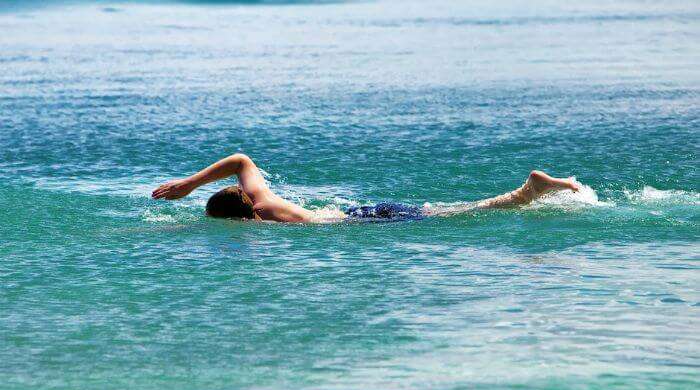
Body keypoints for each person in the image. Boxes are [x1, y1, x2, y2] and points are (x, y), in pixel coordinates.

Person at [151, 153, 580, 223]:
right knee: (456, 207)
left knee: (464, 213)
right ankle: (530, 190)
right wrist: (190, 185)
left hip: (367, 222)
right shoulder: (260, 197)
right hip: (367, 210)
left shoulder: (262, 222)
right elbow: (241, 160)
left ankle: (528, 191)